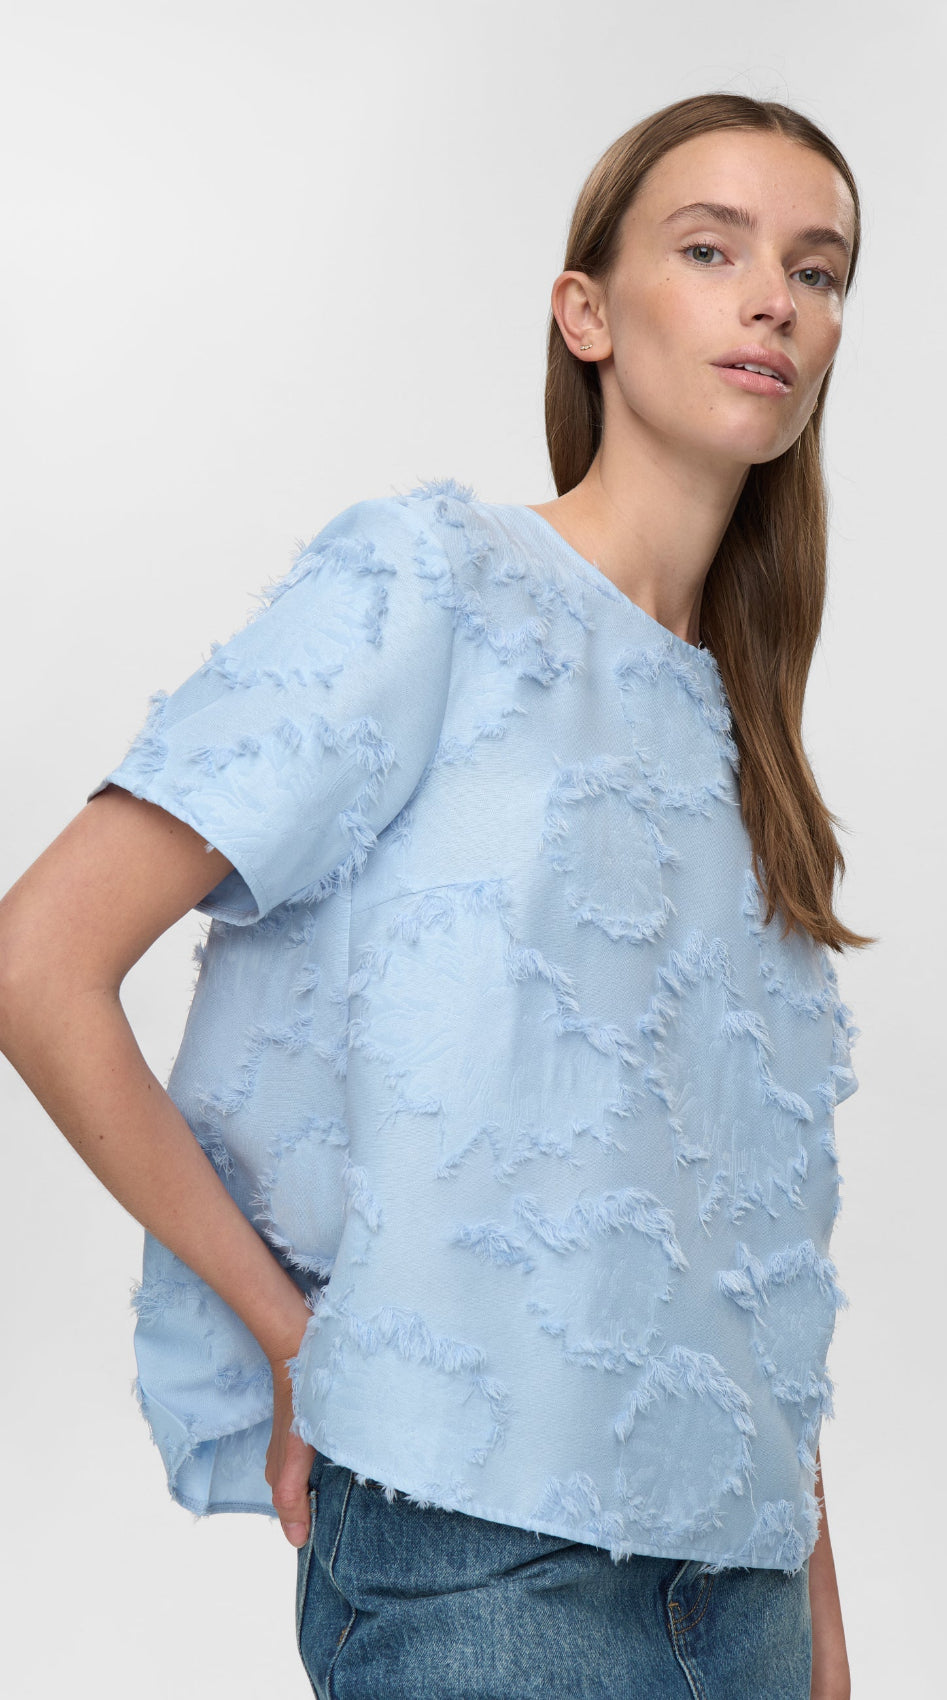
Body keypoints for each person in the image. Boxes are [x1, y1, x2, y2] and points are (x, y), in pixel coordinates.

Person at [0, 91, 870, 1700]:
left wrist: (817, 1620)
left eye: (815, 272)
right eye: (710, 249)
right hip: (479, 1568)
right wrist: (293, 1339)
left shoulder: (744, 735)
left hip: (740, 1590)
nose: (772, 299)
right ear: (585, 314)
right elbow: (38, 962)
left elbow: (733, 1234)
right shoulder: (435, 583)